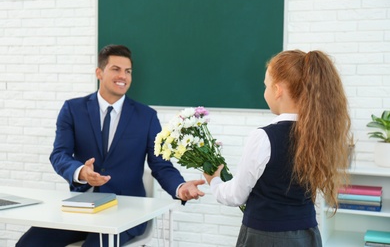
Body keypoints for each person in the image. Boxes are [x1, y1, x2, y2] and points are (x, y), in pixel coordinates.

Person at [16, 44, 205, 247]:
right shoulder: (73, 109)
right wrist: (80, 172)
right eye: (116, 69)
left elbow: (160, 164)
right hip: (81, 207)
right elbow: (59, 154)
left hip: (128, 212)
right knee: (29, 244)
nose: (122, 76)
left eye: (128, 71)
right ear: (99, 72)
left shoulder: (146, 117)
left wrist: (180, 187)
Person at [204, 50, 351, 247]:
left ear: (278, 89)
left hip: (266, 237)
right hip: (307, 235)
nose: (264, 92)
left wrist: (213, 181)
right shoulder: (321, 135)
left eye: (265, 86)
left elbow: (236, 196)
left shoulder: (263, 137)